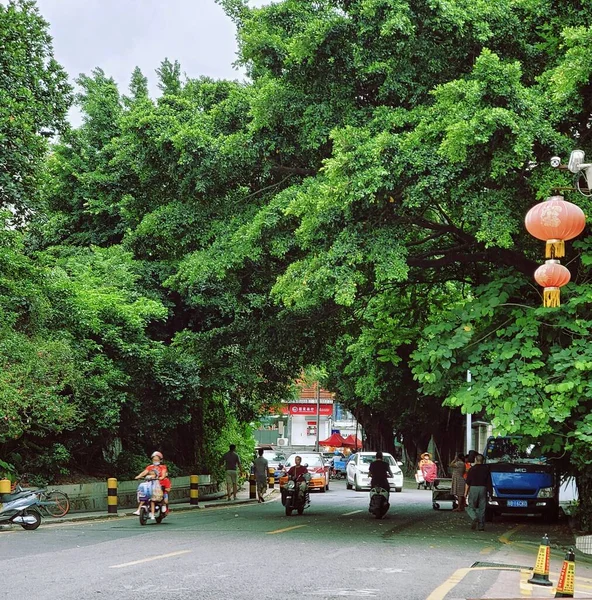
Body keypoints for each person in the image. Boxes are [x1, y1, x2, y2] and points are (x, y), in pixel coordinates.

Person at [133, 451, 169, 519]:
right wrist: (138, 476)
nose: (155, 461)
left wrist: (160, 477)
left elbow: (163, 474)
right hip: (150, 485)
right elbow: (144, 472)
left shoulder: (163, 467)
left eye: (157, 459)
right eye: (154, 459)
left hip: (159, 485)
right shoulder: (150, 467)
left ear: (160, 460)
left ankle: (163, 506)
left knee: (164, 498)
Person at [464, 453, 491, 531]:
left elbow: (467, 482)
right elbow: (489, 481)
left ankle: (474, 517)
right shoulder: (486, 469)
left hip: (473, 488)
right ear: (483, 461)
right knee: (482, 508)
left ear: (476, 460)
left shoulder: (472, 469)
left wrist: (465, 493)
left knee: (471, 506)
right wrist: (490, 492)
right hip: (483, 488)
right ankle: (481, 526)